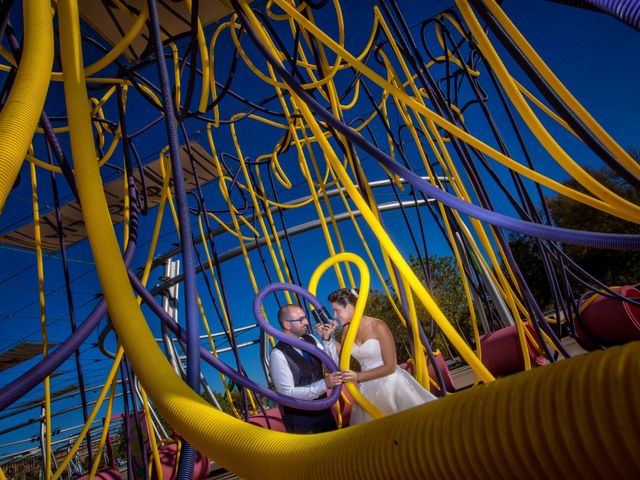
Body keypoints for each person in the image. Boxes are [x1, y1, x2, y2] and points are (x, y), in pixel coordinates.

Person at [317, 288, 437, 425]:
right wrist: (327, 337)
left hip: (391, 383)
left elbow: (390, 367)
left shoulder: (378, 326)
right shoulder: (346, 330)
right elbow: (343, 354)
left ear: (350, 306)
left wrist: (358, 377)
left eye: (337, 310)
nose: (334, 315)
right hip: (367, 390)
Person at [268, 304, 343, 433]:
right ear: (287, 325)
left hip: (324, 411)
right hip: (301, 420)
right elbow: (286, 394)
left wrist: (326, 339)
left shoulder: (311, 339)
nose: (307, 322)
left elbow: (332, 365)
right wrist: (323, 384)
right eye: (301, 319)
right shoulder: (278, 354)